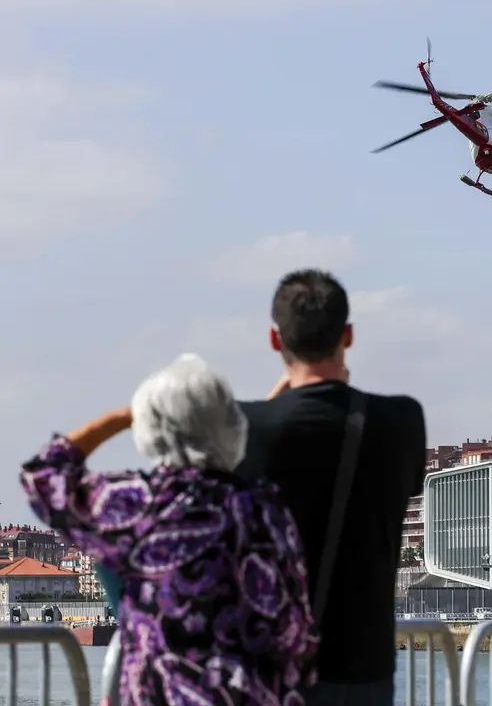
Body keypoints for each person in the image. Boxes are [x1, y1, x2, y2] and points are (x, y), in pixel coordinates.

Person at [19, 354, 318, 705]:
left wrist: (122, 418)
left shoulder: (138, 505)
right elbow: (295, 630)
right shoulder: (264, 509)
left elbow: (44, 477)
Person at [235, 269, 426, 706]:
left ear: (275, 339)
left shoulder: (247, 428)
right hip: (365, 672)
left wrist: (272, 402)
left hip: (273, 669)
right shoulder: (401, 421)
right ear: (348, 335)